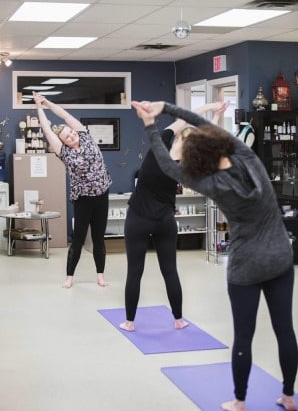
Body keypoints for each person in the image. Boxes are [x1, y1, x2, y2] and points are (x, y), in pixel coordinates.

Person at [132, 100, 298, 411]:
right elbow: (199, 121)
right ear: (221, 142)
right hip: (279, 257)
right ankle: (289, 396)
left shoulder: (207, 182)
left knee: (243, 337)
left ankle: (239, 401)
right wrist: (166, 107)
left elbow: (167, 165)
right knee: (284, 329)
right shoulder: (248, 158)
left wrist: (150, 124)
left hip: (246, 265)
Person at [119, 101, 228, 332]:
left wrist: (209, 106)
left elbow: (184, 117)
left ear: (178, 137)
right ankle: (178, 320)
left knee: (134, 272)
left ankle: (129, 322)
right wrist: (217, 117)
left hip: (138, 217)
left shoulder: (160, 144)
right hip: (165, 221)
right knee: (170, 271)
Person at [33, 91, 112, 289]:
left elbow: (65, 115)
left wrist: (47, 102)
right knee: (78, 239)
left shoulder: (85, 135)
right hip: (83, 200)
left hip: (102, 195)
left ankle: (100, 275)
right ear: (64, 141)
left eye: (72, 132)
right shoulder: (63, 152)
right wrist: (38, 107)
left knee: (98, 238)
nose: (72, 135)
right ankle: (69, 277)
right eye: (68, 136)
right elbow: (46, 129)